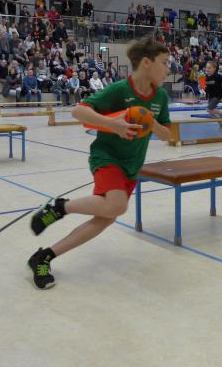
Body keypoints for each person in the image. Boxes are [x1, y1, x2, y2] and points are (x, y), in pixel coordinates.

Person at [26, 38, 172, 289]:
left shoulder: (160, 96)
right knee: (118, 205)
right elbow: (78, 112)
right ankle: (61, 207)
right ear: (147, 63)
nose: (168, 69)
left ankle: (44, 257)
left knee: (106, 217)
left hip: (131, 166)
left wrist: (152, 122)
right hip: (107, 157)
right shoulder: (119, 90)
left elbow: (168, 135)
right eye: (164, 62)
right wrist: (112, 124)